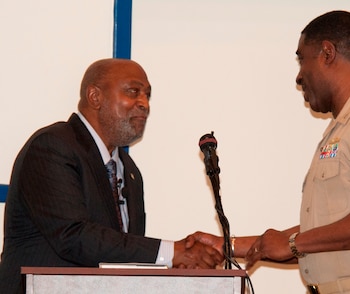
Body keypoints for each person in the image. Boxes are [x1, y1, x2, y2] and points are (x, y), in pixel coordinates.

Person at [190, 10, 350, 294]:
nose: (299, 76)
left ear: (327, 53)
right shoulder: (345, 127)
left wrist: (292, 242)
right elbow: (330, 234)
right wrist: (229, 245)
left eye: (302, 60)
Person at [0, 58, 223, 294]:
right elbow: (73, 236)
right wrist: (173, 252)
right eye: (133, 91)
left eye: (147, 95)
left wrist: (174, 264)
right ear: (95, 96)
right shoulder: (52, 146)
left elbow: (120, 259)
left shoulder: (129, 170)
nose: (144, 104)